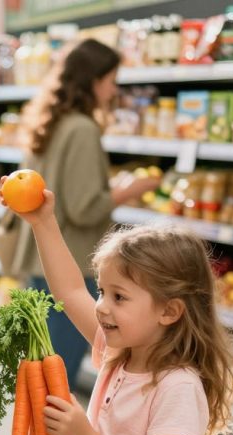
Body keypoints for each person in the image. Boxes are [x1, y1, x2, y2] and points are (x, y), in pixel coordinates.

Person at [1, 184, 233, 435]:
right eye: (102, 291)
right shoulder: (119, 352)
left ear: (169, 311)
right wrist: (42, 222)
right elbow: (69, 290)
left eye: (119, 297)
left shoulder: (176, 387)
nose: (101, 306)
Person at [13, 38, 161, 386]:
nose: (113, 91)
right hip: (72, 263)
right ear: (93, 80)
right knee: (57, 373)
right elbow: (84, 208)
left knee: (44, 368)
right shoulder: (81, 128)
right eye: (111, 80)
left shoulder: (52, 120)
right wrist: (131, 191)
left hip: (43, 259)